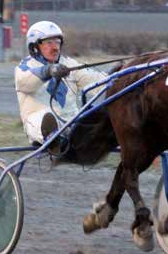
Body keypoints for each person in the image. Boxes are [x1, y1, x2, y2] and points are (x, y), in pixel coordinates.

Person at [15, 20, 106, 156]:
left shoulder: (68, 63)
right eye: (49, 43)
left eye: (57, 42)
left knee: (98, 114)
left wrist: (119, 78)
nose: (55, 47)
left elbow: (94, 80)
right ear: (34, 46)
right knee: (45, 117)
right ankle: (54, 140)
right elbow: (25, 83)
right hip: (38, 126)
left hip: (71, 124)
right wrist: (49, 70)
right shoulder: (25, 67)